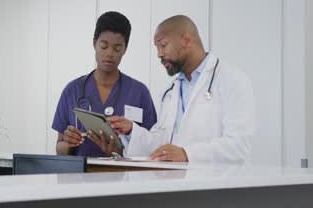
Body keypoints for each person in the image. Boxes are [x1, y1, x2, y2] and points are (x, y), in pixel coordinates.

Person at [109, 15, 256, 163]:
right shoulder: (170, 91)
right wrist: (131, 130)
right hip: (176, 183)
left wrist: (187, 154)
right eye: (157, 48)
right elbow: (161, 145)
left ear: (186, 40)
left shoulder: (232, 79)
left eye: (163, 45)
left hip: (217, 183)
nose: (159, 54)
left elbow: (239, 145)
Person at [52, 11, 157, 157]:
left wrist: (118, 152)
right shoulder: (72, 90)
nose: (109, 53)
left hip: (125, 177)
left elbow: (151, 146)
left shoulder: (139, 92)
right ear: (94, 43)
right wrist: (69, 143)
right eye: (104, 46)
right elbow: (59, 148)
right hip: (79, 177)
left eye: (117, 48)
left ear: (125, 49)